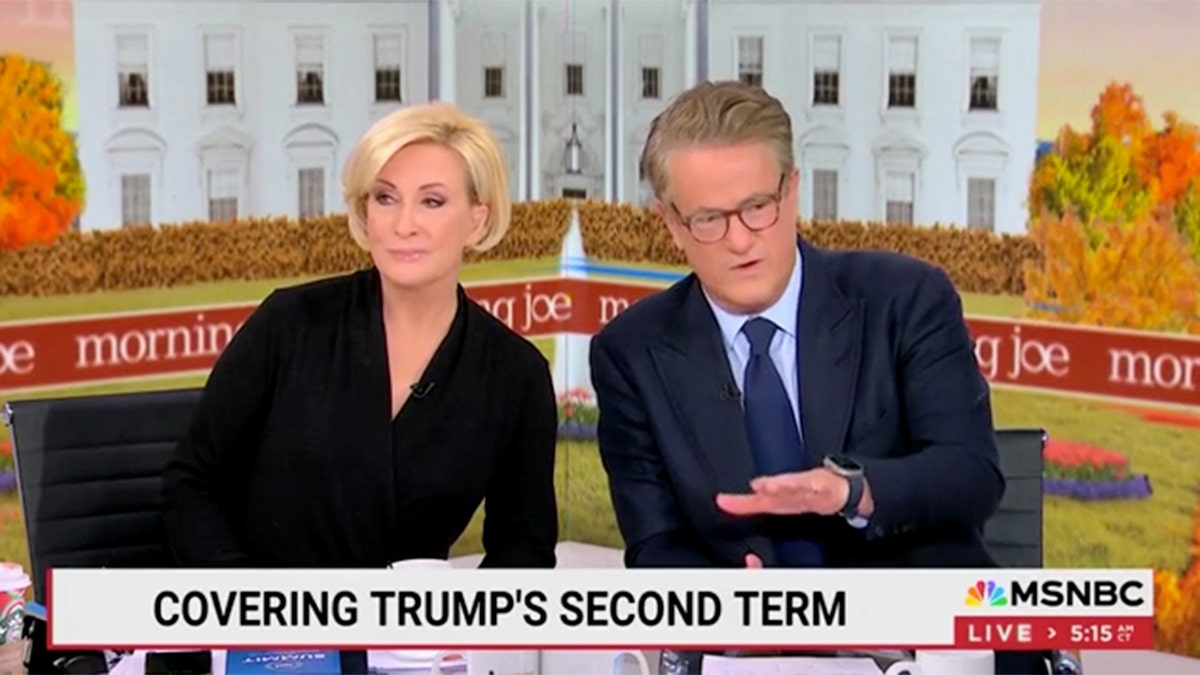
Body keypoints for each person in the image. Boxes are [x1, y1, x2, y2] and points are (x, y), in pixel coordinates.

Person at [589, 81, 1046, 674]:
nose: (739, 239)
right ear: (670, 223)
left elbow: (971, 475)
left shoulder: (905, 299)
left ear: (793, 190)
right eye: (708, 219)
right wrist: (727, 608)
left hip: (923, 641)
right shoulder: (631, 353)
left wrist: (854, 491)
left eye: (758, 206)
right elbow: (656, 546)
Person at [162, 102, 559, 574]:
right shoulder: (290, 324)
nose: (403, 225)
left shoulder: (516, 376)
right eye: (385, 198)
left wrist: (458, 619)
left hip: (406, 621)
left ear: (477, 219)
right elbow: (192, 484)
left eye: (432, 202)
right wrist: (251, 604)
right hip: (263, 611)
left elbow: (524, 547)